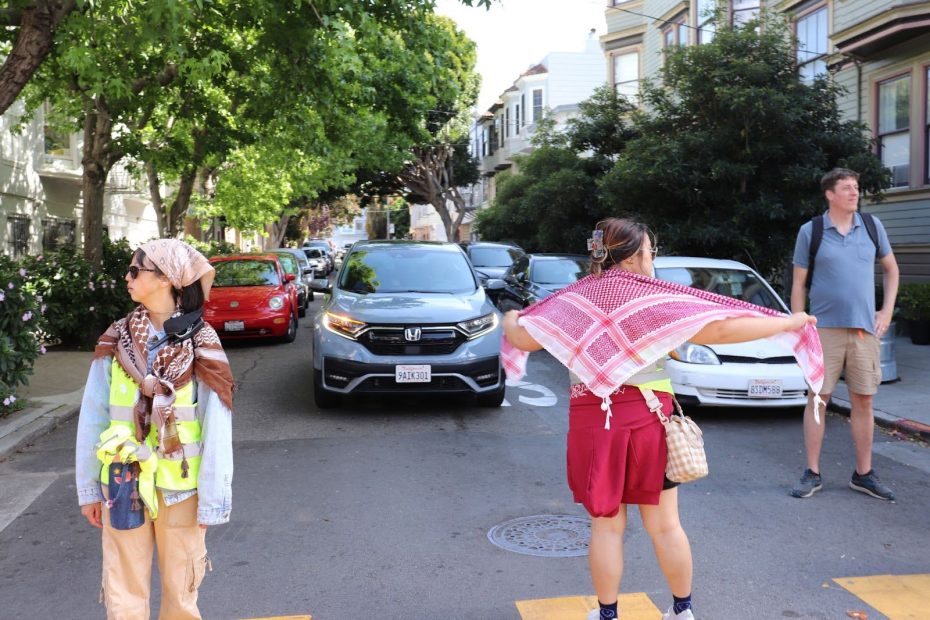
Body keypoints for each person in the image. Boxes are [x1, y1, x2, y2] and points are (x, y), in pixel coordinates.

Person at [502, 218, 817, 620]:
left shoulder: (574, 299)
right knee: (666, 525)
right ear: (634, 257)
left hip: (593, 423)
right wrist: (790, 321)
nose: (652, 259)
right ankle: (682, 611)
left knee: (606, 525)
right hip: (649, 417)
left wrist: (513, 318)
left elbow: (523, 337)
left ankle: (607, 614)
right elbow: (718, 331)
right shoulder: (653, 300)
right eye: (651, 252)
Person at [75, 239, 235, 619]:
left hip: (181, 491)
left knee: (181, 594)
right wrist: (87, 488)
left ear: (166, 279)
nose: (127, 277)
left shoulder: (203, 344)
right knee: (123, 591)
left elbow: (217, 427)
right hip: (121, 482)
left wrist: (214, 499)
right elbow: (93, 415)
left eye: (135, 271)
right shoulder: (115, 339)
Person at [789, 168, 899, 501]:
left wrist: (886, 311)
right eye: (847, 188)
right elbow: (799, 283)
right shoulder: (812, 231)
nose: (855, 192)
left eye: (856, 187)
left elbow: (892, 270)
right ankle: (812, 472)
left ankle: (863, 474)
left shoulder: (872, 226)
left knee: (864, 401)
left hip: (864, 331)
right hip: (823, 331)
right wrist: (799, 322)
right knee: (818, 401)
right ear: (830, 195)